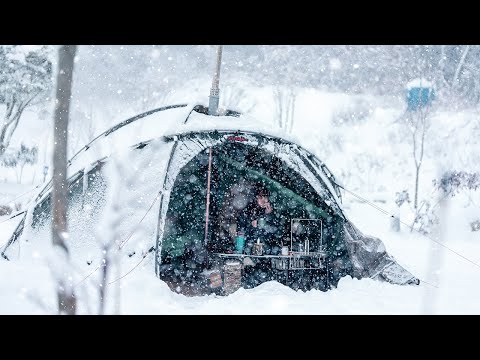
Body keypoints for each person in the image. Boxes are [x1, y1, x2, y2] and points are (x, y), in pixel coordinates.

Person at [237, 182, 282, 254]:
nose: (264, 200)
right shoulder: (246, 212)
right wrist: (251, 226)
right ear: (255, 198)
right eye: (260, 197)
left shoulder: (273, 213)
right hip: (250, 251)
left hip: (268, 252)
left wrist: (269, 215)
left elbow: (277, 233)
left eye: (265, 197)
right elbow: (241, 234)